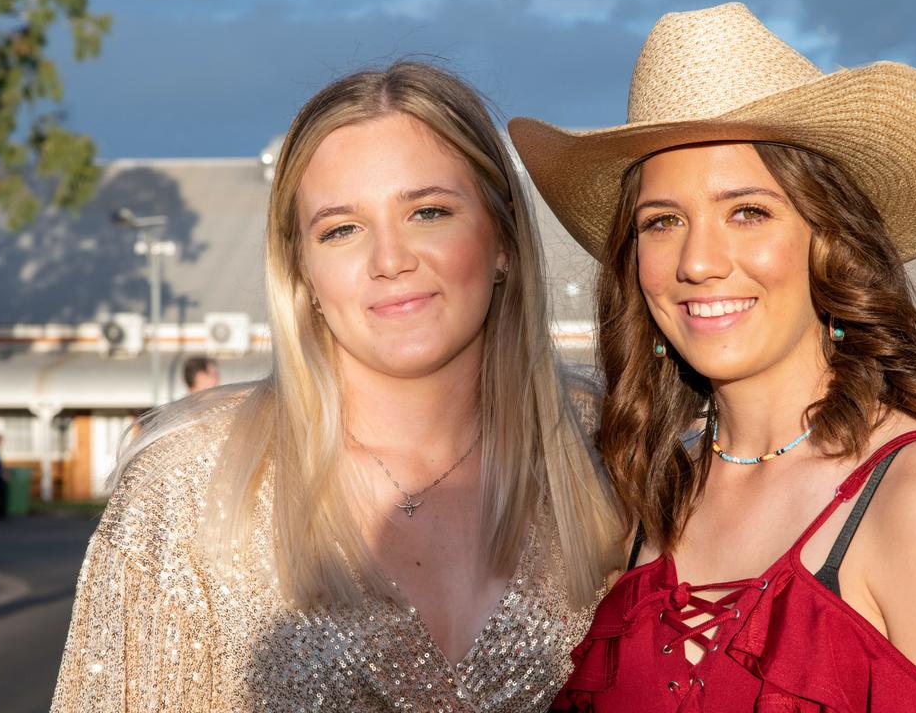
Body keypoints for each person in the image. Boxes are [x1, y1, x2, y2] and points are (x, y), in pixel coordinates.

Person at [510, 3, 916, 711]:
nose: (697, 262)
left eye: (747, 212)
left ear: (830, 240)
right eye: (662, 222)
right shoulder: (643, 494)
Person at [50, 61, 625, 711]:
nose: (390, 260)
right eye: (341, 229)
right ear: (302, 275)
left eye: (429, 211)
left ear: (503, 242)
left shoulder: (606, 455)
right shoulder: (185, 493)